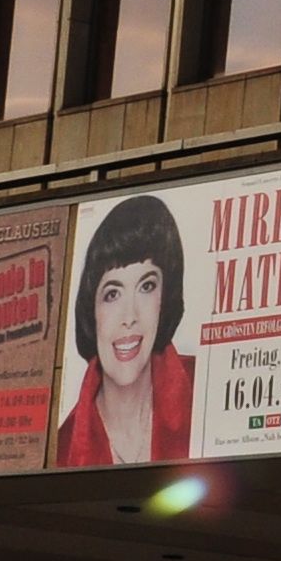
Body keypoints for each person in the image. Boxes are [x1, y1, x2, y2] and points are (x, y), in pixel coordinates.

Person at [57, 196, 195, 466]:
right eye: (112, 294)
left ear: (164, 299)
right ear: (91, 310)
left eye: (146, 287)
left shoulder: (204, 394)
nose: (129, 317)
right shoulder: (64, 450)